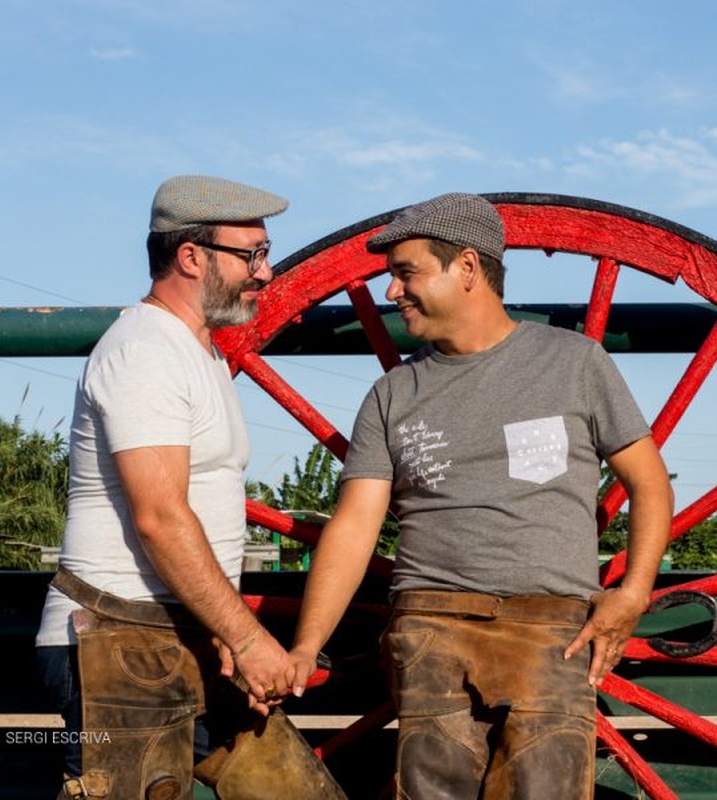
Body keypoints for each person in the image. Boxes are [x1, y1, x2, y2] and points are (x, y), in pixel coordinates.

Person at [289, 192, 674, 798]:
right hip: (431, 626)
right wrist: (307, 646)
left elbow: (649, 483)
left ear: (467, 268)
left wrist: (633, 594)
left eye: (406, 272)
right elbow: (355, 526)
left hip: (550, 628)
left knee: (548, 787)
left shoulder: (574, 364)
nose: (393, 293)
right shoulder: (394, 394)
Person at [35, 175, 345, 799]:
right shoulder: (145, 352)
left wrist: (223, 633)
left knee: (296, 791)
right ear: (191, 256)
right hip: (119, 647)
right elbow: (159, 517)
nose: (266, 273)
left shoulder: (194, 351)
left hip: (180, 636)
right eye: (252, 255)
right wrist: (247, 636)